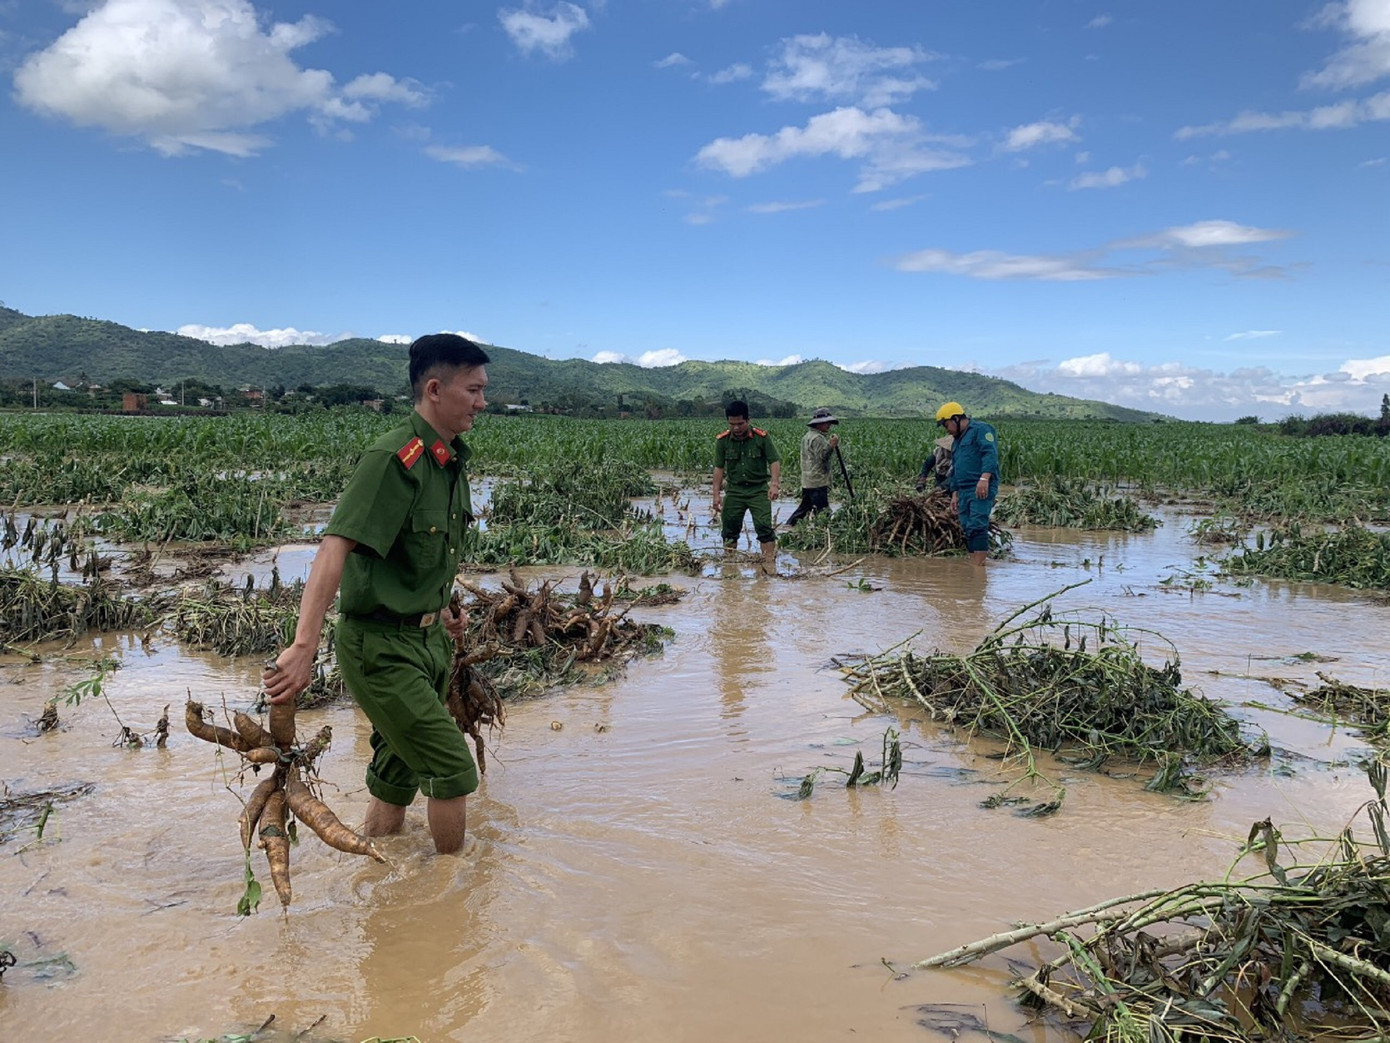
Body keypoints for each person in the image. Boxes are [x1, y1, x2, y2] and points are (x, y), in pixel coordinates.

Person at [264, 333, 489, 855]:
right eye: (474, 390)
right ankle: (453, 888)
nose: (482, 402)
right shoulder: (393, 459)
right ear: (435, 389)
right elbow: (334, 548)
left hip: (427, 645)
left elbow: (420, 554)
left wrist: (442, 609)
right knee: (451, 767)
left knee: (398, 770)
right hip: (382, 649)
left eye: (483, 391)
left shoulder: (449, 462)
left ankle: (378, 871)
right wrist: (303, 645)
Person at [711, 399, 781, 574]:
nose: (736, 428)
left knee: (764, 527)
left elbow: (774, 460)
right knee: (729, 528)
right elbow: (718, 468)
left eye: (740, 423)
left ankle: (769, 565)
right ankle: (729, 567)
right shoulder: (723, 441)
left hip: (758, 490)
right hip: (734, 491)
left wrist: (774, 485)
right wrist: (716, 495)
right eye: (732, 424)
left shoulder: (761, 437)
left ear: (748, 420)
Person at [935, 401, 999, 567]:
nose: (946, 429)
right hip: (963, 489)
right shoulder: (956, 441)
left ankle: (979, 570)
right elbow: (956, 467)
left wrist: (984, 479)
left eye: (946, 425)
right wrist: (954, 493)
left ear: (956, 419)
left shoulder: (981, 430)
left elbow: (990, 454)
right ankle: (974, 564)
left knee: (977, 525)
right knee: (967, 527)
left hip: (980, 486)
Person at [785, 406, 839, 526]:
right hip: (817, 481)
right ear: (818, 424)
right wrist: (831, 446)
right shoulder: (818, 438)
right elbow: (822, 457)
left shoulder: (807, 436)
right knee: (823, 511)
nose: (829, 425)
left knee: (804, 508)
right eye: (826, 423)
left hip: (808, 480)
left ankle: (788, 526)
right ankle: (826, 530)